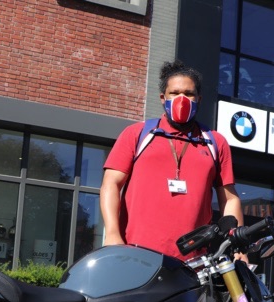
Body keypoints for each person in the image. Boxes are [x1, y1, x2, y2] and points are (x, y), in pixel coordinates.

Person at [100, 59, 244, 261]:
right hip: (135, 256)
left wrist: (238, 248)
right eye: (175, 93)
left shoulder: (214, 142)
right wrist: (113, 234)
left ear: (199, 99)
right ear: (162, 97)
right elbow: (111, 184)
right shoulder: (137, 133)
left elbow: (230, 199)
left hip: (194, 263)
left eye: (189, 94)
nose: (182, 99)